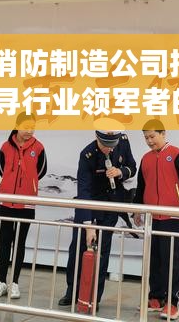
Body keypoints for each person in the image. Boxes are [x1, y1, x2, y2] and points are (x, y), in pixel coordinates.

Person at [58, 119, 136, 308]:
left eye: (112, 145)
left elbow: (132, 167)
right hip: (88, 205)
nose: (109, 148)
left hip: (110, 207)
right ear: (96, 137)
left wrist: (120, 172)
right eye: (105, 145)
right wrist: (88, 225)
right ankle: (72, 291)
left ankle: (93, 297)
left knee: (102, 254)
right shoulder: (87, 154)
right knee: (77, 250)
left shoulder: (123, 142)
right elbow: (84, 191)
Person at [133, 119, 179, 320]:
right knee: (154, 258)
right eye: (146, 138)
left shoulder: (177, 154)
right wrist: (137, 211)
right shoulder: (145, 159)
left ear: (163, 134)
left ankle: (172, 302)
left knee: (170, 260)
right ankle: (156, 298)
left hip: (172, 216)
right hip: (152, 217)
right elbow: (141, 187)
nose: (149, 141)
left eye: (152, 136)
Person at [0, 112, 47, 299]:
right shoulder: (5, 147)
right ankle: (1, 282)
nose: (30, 131)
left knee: (20, 242)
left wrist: (29, 184)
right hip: (6, 201)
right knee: (4, 241)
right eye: (26, 127)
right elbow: (1, 169)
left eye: (33, 127)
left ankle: (14, 283)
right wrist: (9, 183)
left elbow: (41, 170)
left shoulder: (39, 147)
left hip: (26, 203)